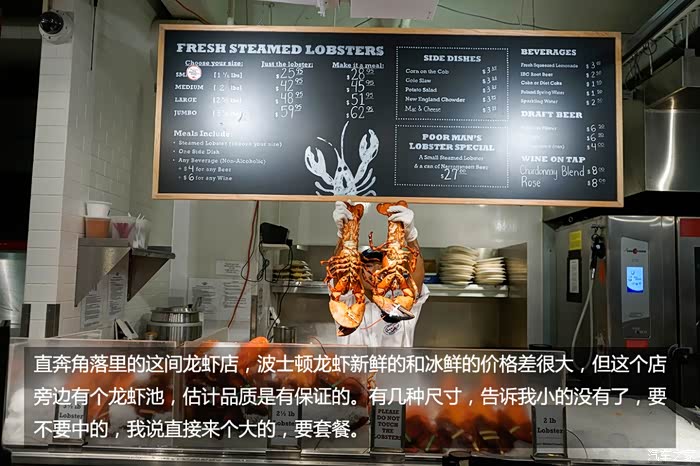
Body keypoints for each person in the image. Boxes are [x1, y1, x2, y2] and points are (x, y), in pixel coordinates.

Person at [331, 201, 429, 347]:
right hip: (353, 364)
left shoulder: (401, 302)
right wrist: (342, 234)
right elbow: (339, 271)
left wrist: (411, 237)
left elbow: (417, 278)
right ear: (358, 270)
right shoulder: (346, 300)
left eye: (381, 267)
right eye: (368, 265)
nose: (375, 271)